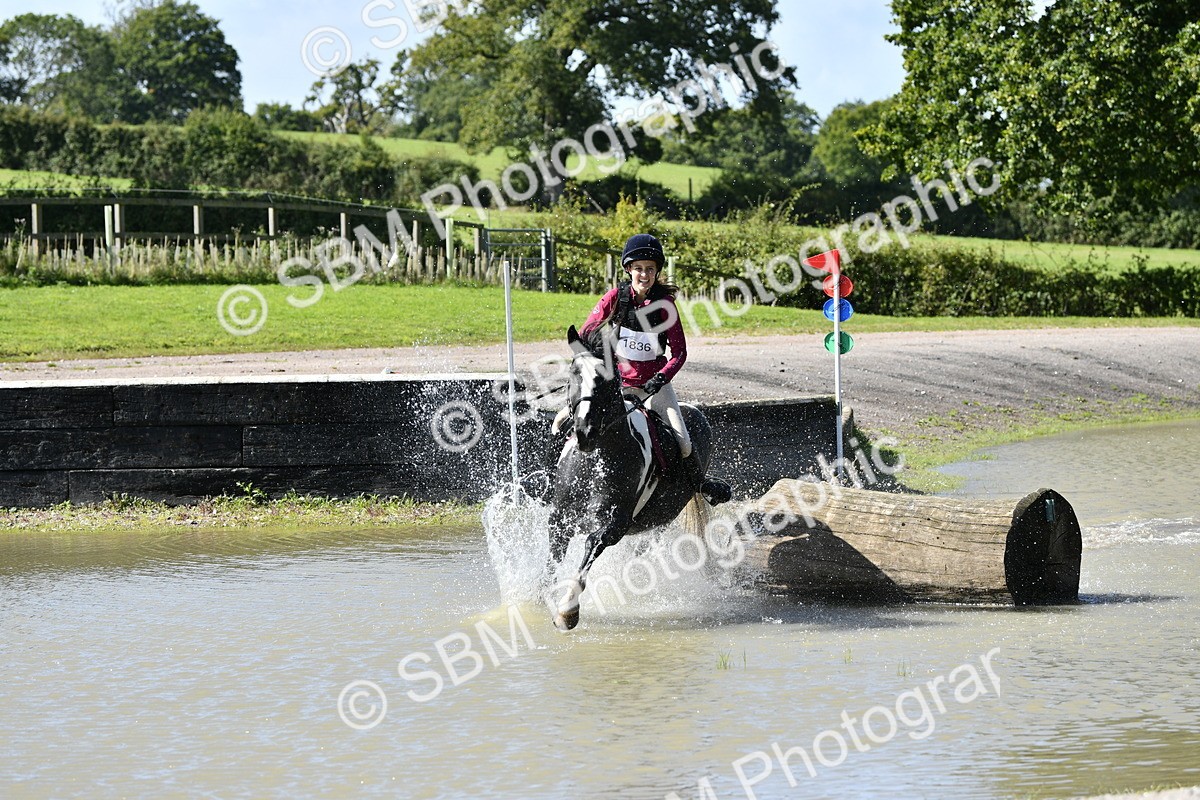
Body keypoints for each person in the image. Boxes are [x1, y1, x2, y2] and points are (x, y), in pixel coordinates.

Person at [576, 233, 706, 488]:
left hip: (653, 387)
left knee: (684, 442)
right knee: (564, 422)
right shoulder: (614, 297)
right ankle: (549, 478)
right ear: (628, 269)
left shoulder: (665, 306)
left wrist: (661, 378)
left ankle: (700, 485)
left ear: (657, 272)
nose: (644, 275)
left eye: (650, 269)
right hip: (615, 386)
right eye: (638, 269)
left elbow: (679, 353)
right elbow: (584, 335)